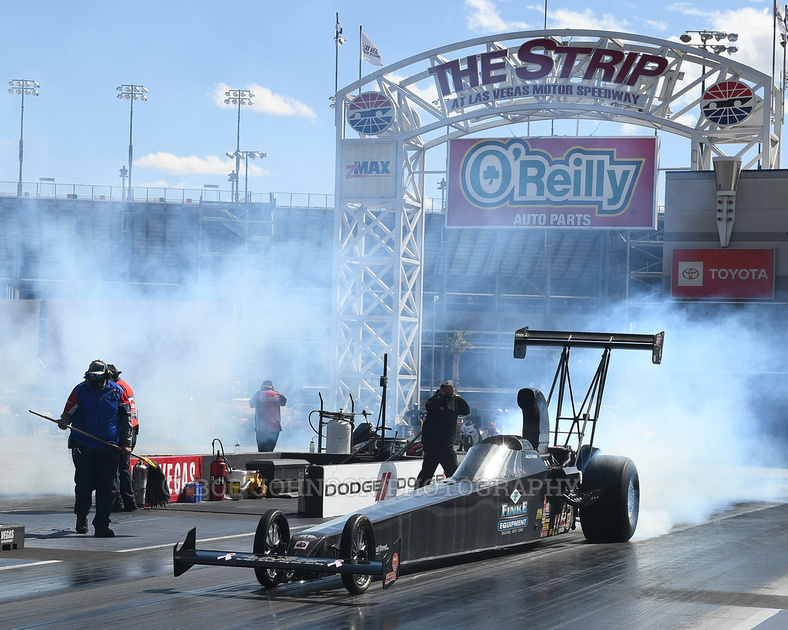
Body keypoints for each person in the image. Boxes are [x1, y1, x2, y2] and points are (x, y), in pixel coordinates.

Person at [58, 360, 132, 538]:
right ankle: (81, 515)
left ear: (105, 375)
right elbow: (69, 411)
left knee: (108, 487)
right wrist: (65, 421)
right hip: (84, 445)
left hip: (109, 446)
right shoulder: (80, 390)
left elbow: (126, 419)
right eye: (91, 377)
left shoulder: (117, 391)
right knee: (84, 484)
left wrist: (126, 442)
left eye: (97, 377)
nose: (94, 380)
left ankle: (101, 525)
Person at [416, 381, 470, 488]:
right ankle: (417, 492)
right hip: (432, 445)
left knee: (454, 473)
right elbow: (430, 408)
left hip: (447, 446)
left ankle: (455, 493)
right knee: (427, 472)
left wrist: (460, 399)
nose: (451, 396)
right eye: (448, 393)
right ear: (442, 392)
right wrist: (440, 397)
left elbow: (466, 411)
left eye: (452, 393)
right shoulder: (434, 400)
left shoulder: (454, 402)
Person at [107, 364, 138, 512]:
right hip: (132, 429)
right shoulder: (125, 385)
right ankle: (129, 501)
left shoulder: (116, 388)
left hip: (125, 431)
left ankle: (117, 501)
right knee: (124, 468)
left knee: (117, 469)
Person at [249, 380, 287, 452]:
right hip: (275, 427)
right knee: (270, 451)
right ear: (272, 387)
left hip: (261, 428)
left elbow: (251, 404)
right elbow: (284, 402)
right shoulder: (278, 394)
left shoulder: (258, 394)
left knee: (261, 452)